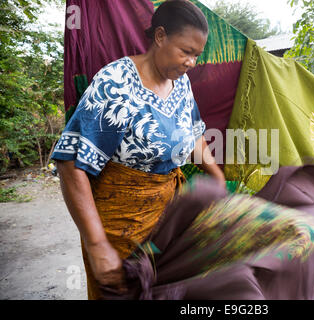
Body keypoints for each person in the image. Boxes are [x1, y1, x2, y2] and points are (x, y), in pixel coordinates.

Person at [51, 0, 225, 300]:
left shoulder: (180, 84)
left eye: (196, 55)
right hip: (117, 230)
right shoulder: (116, 84)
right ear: (160, 37)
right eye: (186, 51)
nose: (191, 63)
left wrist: (215, 175)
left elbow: (193, 133)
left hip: (166, 225)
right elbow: (71, 165)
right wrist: (97, 245)